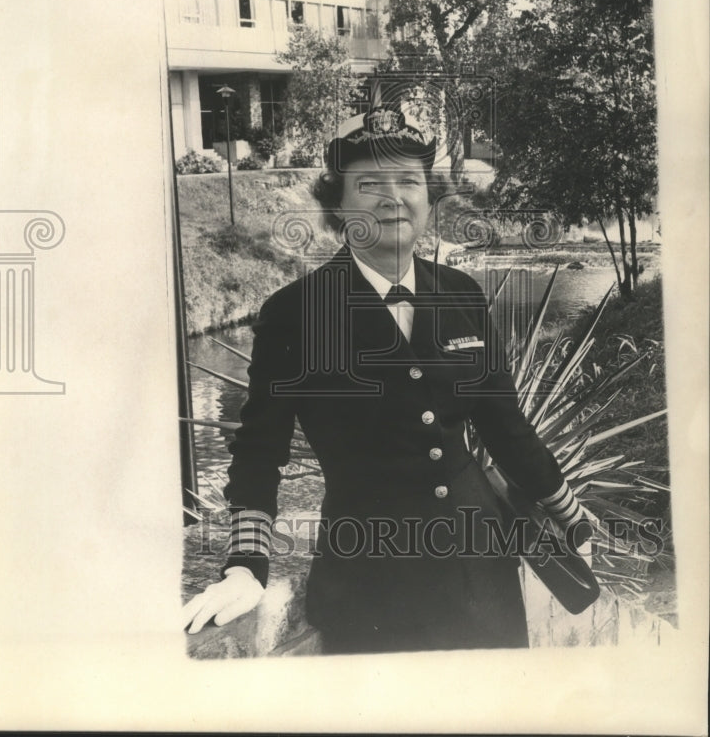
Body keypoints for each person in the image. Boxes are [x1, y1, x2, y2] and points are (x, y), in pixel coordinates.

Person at [181, 106, 592, 654]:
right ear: (339, 204)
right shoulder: (296, 313)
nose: (392, 197)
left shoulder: (462, 294)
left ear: (429, 197)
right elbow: (260, 450)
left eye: (409, 181)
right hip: (372, 587)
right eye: (369, 184)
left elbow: (504, 424)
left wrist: (570, 513)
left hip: (484, 574)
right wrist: (245, 564)